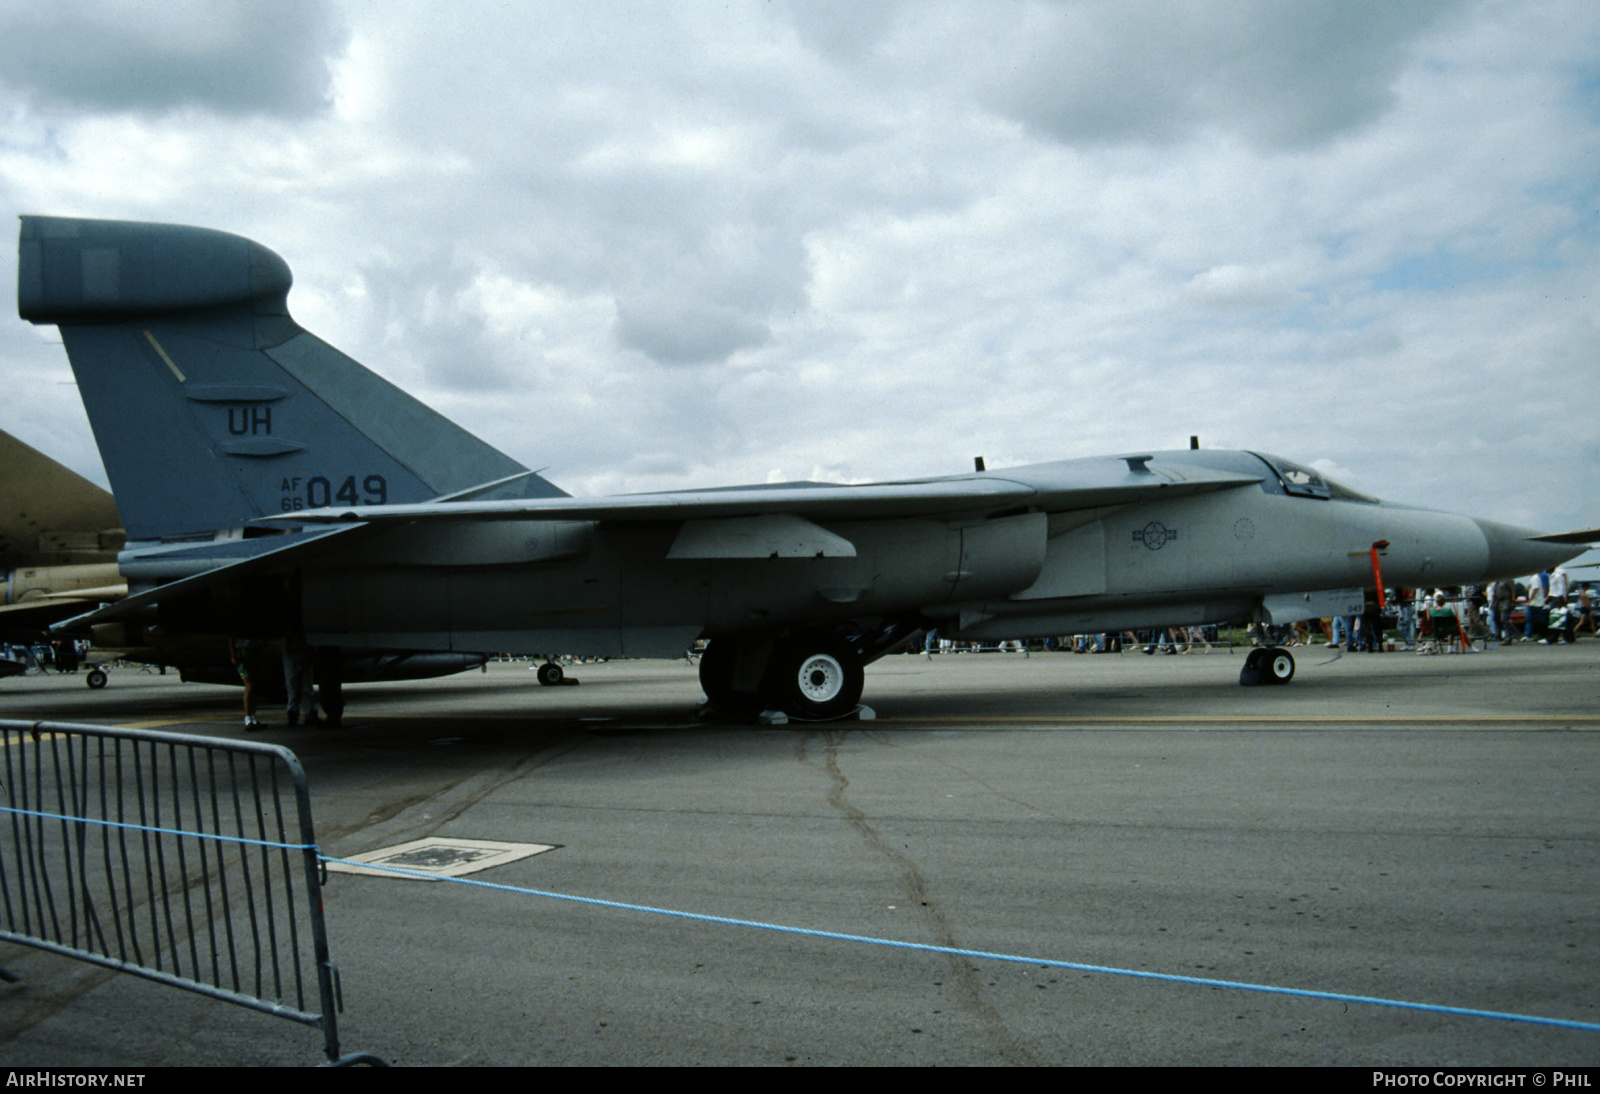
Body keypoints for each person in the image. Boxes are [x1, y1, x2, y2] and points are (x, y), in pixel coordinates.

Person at [229, 637, 261, 729]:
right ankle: (247, 717)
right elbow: (230, 638)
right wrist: (233, 655)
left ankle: (252, 716)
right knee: (249, 685)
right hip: (242, 654)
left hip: (253, 651)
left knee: (254, 686)